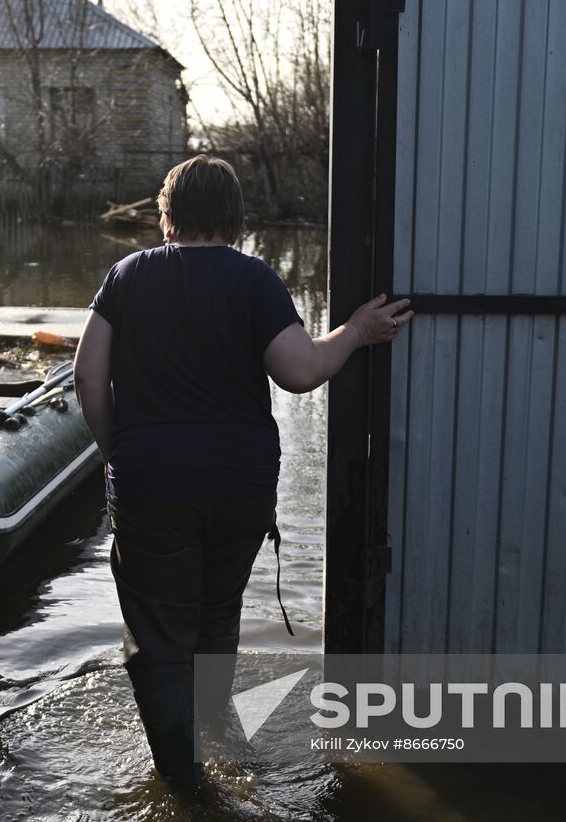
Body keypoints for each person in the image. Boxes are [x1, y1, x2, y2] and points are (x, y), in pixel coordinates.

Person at [73, 154, 413, 787]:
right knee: (216, 611)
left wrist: (115, 449)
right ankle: (219, 736)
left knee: (159, 636)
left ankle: (184, 786)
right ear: (233, 217)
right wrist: (358, 332)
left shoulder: (126, 277)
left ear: (166, 216)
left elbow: (88, 375)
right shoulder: (254, 279)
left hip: (153, 484)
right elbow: (302, 370)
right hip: (240, 485)